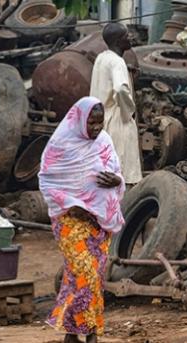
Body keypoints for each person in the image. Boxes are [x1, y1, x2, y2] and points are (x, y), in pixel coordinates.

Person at [39, 97, 125, 343]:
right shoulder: (60, 144)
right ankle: (90, 332)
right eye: (92, 123)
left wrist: (117, 181)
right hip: (70, 221)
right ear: (80, 119)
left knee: (88, 276)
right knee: (84, 272)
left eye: (100, 122)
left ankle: (72, 332)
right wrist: (73, 204)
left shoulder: (104, 141)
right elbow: (47, 181)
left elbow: (116, 173)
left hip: (98, 223)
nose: (97, 128)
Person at [90, 23, 142, 186]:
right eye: (127, 36)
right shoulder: (117, 62)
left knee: (103, 172)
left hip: (102, 121)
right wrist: (129, 110)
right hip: (118, 122)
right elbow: (120, 89)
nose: (131, 38)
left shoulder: (101, 58)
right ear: (119, 41)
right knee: (121, 175)